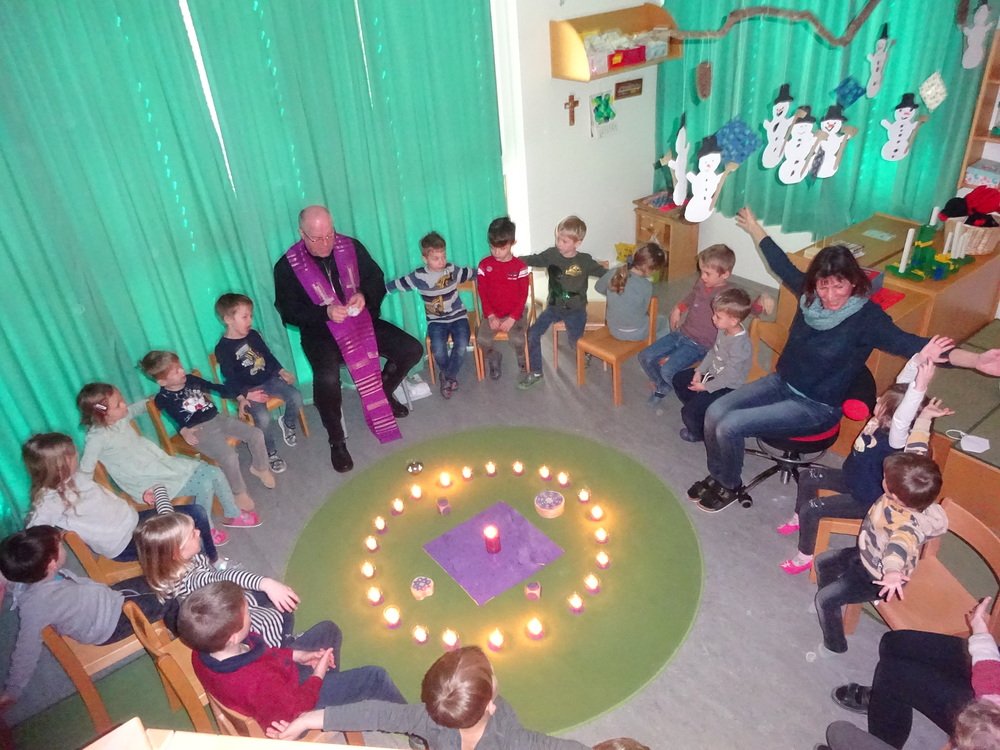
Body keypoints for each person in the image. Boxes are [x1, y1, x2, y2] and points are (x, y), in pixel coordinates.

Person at [689, 206, 1000, 512]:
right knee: (715, 411)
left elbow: (913, 344)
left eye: (838, 286)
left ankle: (728, 483)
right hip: (782, 382)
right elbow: (781, 264)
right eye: (823, 286)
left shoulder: (867, 319)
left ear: (854, 282)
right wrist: (755, 227)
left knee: (731, 425)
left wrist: (975, 361)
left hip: (817, 406)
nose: (830, 295)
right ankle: (719, 474)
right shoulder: (810, 298)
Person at [273, 205, 423, 473]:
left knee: (411, 349)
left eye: (329, 234)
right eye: (317, 238)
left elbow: (375, 278)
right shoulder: (287, 266)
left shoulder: (350, 247)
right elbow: (289, 311)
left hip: (361, 322)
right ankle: (337, 439)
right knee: (327, 379)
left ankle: (383, 392)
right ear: (302, 234)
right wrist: (325, 313)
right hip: (320, 332)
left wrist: (363, 295)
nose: (326, 243)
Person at [779, 354, 953, 574]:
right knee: (807, 476)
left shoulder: (896, 440)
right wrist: (918, 359)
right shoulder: (880, 421)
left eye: (881, 402)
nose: (877, 399)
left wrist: (920, 387)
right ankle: (800, 517)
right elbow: (899, 385)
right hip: (852, 478)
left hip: (866, 499)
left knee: (813, 509)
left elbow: (903, 418)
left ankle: (804, 556)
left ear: (892, 417)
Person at [178, 581, 406, 732]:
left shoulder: (203, 650)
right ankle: (414, 726)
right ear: (233, 637)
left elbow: (266, 656)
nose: (250, 613)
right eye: (246, 612)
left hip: (280, 684)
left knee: (329, 630)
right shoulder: (258, 681)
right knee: (375, 677)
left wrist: (300, 655)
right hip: (294, 713)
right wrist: (317, 676)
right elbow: (293, 710)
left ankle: (335, 689)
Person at [267, 645, 590, 749]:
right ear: (491, 704)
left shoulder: (428, 719)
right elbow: (557, 747)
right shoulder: (510, 736)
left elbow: (375, 713)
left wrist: (306, 719)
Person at [0, 525, 164, 708]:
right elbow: (26, 650)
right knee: (168, 600)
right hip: (111, 623)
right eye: (60, 546)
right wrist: (12, 690)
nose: (63, 547)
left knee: (160, 576)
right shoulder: (36, 605)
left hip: (109, 598)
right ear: (51, 563)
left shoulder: (32, 575)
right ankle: (184, 627)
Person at [77, 382, 245, 548]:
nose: (124, 404)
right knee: (204, 484)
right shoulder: (97, 438)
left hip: (160, 466)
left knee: (214, 471)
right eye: (118, 405)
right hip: (146, 484)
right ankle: (204, 531)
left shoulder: (120, 418)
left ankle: (232, 514)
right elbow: (85, 471)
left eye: (122, 399)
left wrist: (154, 401)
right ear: (101, 414)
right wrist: (82, 498)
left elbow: (136, 408)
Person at [814, 452, 948, 654]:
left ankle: (835, 646)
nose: (882, 478)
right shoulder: (908, 492)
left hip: (878, 577)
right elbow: (916, 449)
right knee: (823, 561)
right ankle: (834, 602)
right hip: (868, 553)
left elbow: (898, 547)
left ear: (896, 497)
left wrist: (892, 572)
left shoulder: (906, 527)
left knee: (824, 600)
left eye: (885, 478)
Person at [827, 596, 1000, 749]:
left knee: (893, 675)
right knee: (895, 643)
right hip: (994, 697)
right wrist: (981, 634)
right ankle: (886, 702)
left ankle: (884, 740)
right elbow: (991, 684)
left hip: (986, 726)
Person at [23, 432, 216, 563]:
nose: (77, 456)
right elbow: (34, 532)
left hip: (135, 521)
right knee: (180, 537)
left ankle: (210, 560)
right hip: (123, 544)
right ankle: (202, 568)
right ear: (60, 464)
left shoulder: (75, 477)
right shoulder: (50, 500)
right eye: (73, 455)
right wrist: (53, 544)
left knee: (195, 513)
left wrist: (145, 493)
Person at [136, 495, 298, 647]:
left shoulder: (170, 561)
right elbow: (224, 576)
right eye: (192, 534)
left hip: (209, 605)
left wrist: (157, 490)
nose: (199, 532)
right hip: (218, 617)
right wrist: (265, 583)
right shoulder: (192, 579)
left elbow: (167, 514)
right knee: (271, 618)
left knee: (266, 599)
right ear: (177, 551)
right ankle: (281, 650)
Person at [140, 350, 272, 517]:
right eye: (176, 371)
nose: (182, 371)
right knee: (229, 456)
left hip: (217, 418)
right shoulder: (163, 398)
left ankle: (260, 468)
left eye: (180, 366)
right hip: (199, 429)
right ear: (162, 381)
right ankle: (238, 492)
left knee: (256, 434)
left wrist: (241, 397)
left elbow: (215, 388)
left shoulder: (191, 379)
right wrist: (183, 431)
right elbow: (174, 417)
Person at [637, 244, 739, 408]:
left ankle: (693, 398)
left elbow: (744, 308)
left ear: (725, 274)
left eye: (707, 273)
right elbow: (692, 296)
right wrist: (679, 308)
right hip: (682, 333)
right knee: (645, 356)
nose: (702, 277)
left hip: (700, 345)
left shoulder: (728, 295)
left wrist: (762, 300)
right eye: (701, 271)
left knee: (668, 370)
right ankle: (663, 385)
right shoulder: (702, 282)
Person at [214, 293, 305, 474]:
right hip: (248, 390)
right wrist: (244, 396)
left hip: (268, 380)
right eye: (245, 316)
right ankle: (270, 453)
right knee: (262, 418)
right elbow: (229, 379)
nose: (250, 320)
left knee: (296, 396)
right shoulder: (223, 348)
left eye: (251, 315)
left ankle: (287, 423)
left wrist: (281, 371)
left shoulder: (253, 335)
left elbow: (268, 356)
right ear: (228, 319)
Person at [385, 232, 476, 399]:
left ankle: (448, 376)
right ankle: (449, 376)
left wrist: (489, 271)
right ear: (425, 258)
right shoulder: (419, 276)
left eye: (443, 257)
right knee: (438, 349)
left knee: (462, 343)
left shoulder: (451, 270)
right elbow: (398, 284)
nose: (441, 262)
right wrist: (379, 290)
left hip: (458, 317)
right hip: (436, 321)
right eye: (436, 258)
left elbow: (470, 273)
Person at [519, 216, 606, 390]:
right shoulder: (551, 255)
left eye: (564, 241)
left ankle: (585, 353)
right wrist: (513, 260)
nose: (559, 243)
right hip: (553, 308)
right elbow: (533, 259)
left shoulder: (584, 261)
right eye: (558, 238)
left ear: (577, 243)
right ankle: (536, 372)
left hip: (576, 310)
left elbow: (605, 274)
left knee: (575, 342)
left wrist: (623, 275)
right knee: (533, 334)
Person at [671, 287, 754, 444]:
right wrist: (699, 370)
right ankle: (702, 409)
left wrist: (705, 387)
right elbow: (713, 352)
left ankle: (699, 434)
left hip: (727, 386)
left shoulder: (740, 346)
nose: (713, 319)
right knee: (679, 379)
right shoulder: (723, 329)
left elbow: (729, 377)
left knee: (688, 413)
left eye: (718, 316)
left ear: (733, 321)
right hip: (712, 374)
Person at [476, 217, 530, 382]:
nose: (496, 252)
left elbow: (523, 296)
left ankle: (522, 360)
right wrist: (491, 315)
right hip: (493, 313)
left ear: (513, 243)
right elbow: (482, 292)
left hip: (516, 314)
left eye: (502, 248)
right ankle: (494, 357)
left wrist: (512, 318)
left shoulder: (520, 266)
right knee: (482, 340)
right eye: (493, 248)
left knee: (518, 339)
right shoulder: (484, 265)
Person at [594, 242, 668, 342]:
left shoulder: (615, 272)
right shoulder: (646, 285)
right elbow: (642, 310)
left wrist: (615, 295)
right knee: (663, 321)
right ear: (649, 269)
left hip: (613, 328)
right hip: (635, 333)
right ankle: (657, 348)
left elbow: (598, 287)